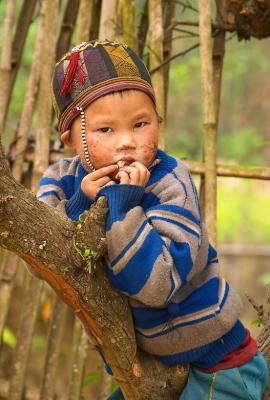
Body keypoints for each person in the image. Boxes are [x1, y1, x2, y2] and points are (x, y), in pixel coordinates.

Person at [37, 40, 268, 399]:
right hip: (151, 366)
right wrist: (81, 202)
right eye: (105, 130)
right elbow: (46, 256)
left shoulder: (170, 182)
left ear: (159, 121)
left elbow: (158, 285)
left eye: (140, 123)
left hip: (218, 363)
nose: (127, 142)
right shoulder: (61, 182)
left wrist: (124, 208)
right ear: (69, 138)